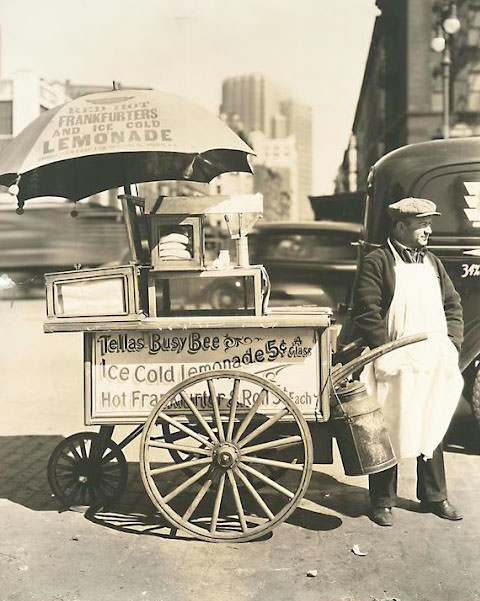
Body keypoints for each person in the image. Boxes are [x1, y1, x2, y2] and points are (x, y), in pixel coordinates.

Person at [352, 197, 464, 527]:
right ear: (401, 227)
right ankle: (382, 500)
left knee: (432, 422)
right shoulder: (378, 261)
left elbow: (452, 305)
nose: (428, 231)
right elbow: (366, 312)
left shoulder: (433, 264)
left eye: (429, 224)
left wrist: (453, 343)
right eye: (421, 226)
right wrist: (386, 350)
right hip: (393, 361)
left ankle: (434, 497)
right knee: (387, 427)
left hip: (431, 359)